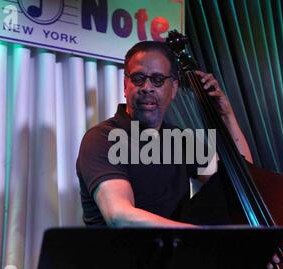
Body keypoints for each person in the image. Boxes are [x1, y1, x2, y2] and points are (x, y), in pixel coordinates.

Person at [76, 40, 253, 227]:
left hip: (177, 252)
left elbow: (244, 180)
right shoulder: (102, 138)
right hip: (125, 255)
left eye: (158, 79)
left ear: (173, 89)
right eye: (138, 78)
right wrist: (208, 238)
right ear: (125, 85)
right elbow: (119, 216)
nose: (147, 87)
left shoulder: (181, 142)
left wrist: (227, 116)